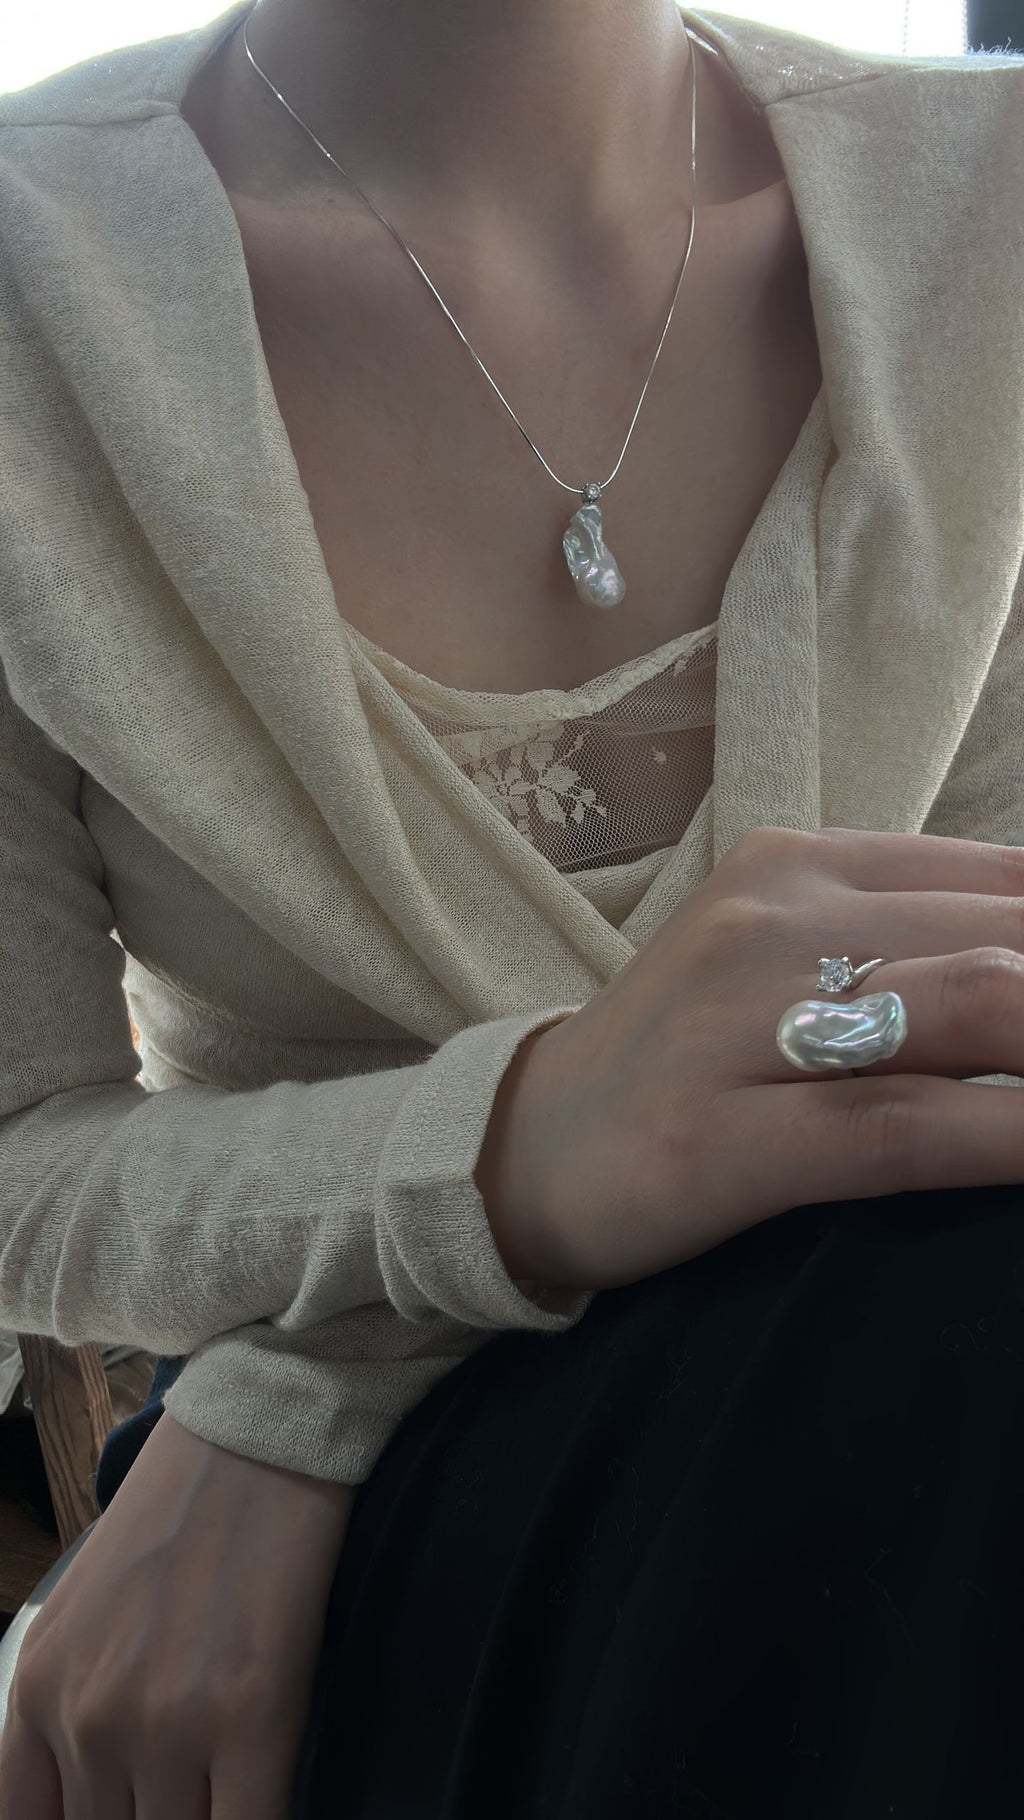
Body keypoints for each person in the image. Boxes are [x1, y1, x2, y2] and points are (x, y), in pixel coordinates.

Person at [0, 0, 1022, 1811]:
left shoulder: (987, 213)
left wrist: (309, 1397)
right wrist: (509, 1164)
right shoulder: (35, 299)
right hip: (441, 1533)